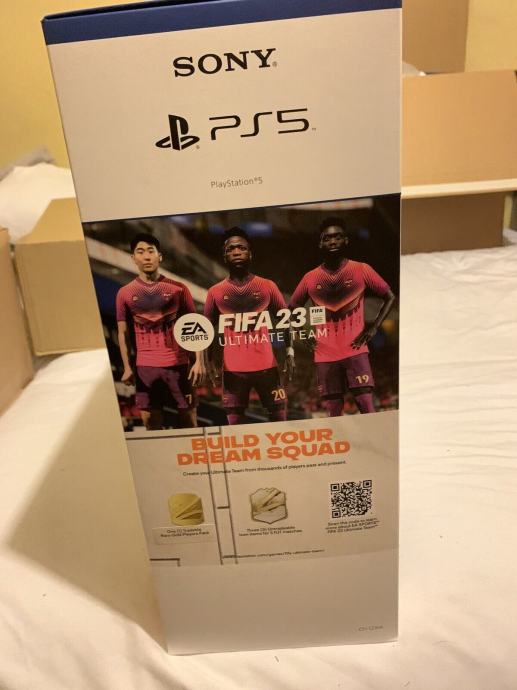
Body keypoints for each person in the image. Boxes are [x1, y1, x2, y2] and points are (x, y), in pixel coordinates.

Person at [289, 218, 395, 415]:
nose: (333, 241)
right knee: (334, 413)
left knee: (367, 406)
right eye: (327, 238)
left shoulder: (362, 269)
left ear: (346, 240)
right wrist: (304, 334)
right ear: (320, 243)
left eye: (337, 237)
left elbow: (389, 296)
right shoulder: (310, 278)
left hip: (356, 350)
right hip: (325, 354)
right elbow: (291, 308)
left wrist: (373, 328)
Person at [204, 227, 294, 425]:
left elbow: (285, 320)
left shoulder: (268, 286)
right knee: (236, 429)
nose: (236, 252)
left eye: (242, 248)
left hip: (267, 368)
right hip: (233, 371)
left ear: (250, 254)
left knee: (280, 425)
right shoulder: (215, 292)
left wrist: (290, 352)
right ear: (224, 256)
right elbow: (207, 329)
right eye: (231, 249)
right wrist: (207, 360)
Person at [116, 232, 205, 429]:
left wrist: (199, 361)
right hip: (145, 368)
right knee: (151, 424)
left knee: (189, 422)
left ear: (160, 256)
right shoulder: (125, 293)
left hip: (179, 366)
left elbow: (195, 326)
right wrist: (127, 367)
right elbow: (123, 333)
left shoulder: (179, 289)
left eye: (151, 251)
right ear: (133, 258)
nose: (146, 256)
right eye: (140, 252)